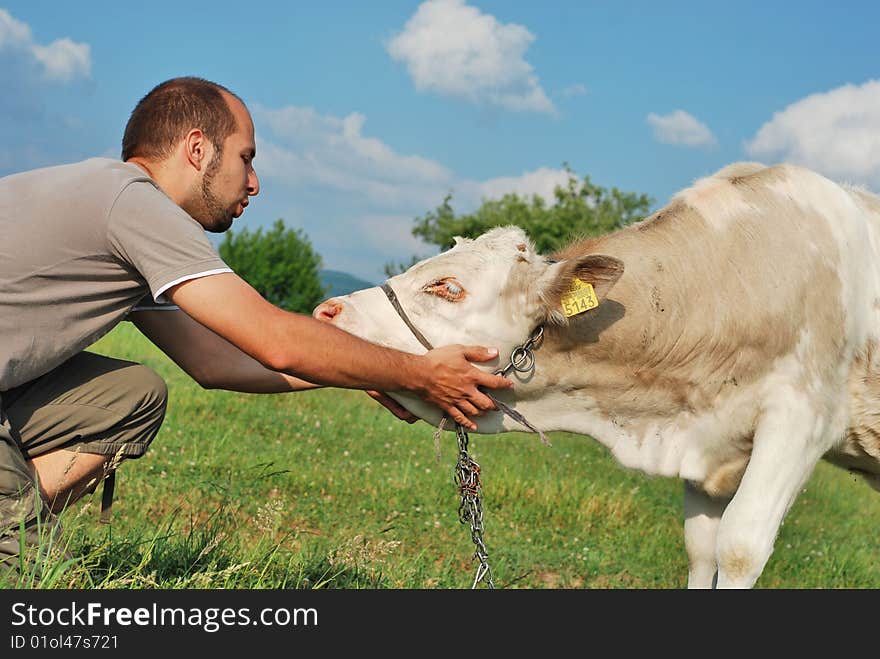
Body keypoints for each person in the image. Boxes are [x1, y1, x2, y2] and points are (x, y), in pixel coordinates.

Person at [0, 76, 512, 571]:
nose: (254, 183)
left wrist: (371, 368)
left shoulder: (99, 199)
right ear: (197, 148)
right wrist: (420, 374)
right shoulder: (135, 205)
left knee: (133, 393)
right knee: (52, 591)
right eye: (246, 157)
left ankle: (16, 515)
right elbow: (275, 340)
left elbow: (215, 360)